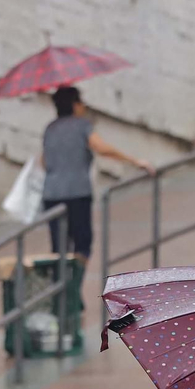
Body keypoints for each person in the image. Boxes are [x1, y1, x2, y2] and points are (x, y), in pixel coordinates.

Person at [40, 85, 153, 259]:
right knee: (82, 244)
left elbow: (44, 162)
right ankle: (74, 284)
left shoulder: (50, 129)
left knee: (59, 248)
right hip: (77, 194)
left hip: (52, 195)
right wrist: (134, 161)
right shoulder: (83, 126)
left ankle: (62, 283)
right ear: (74, 105)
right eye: (81, 102)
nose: (84, 106)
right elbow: (102, 148)